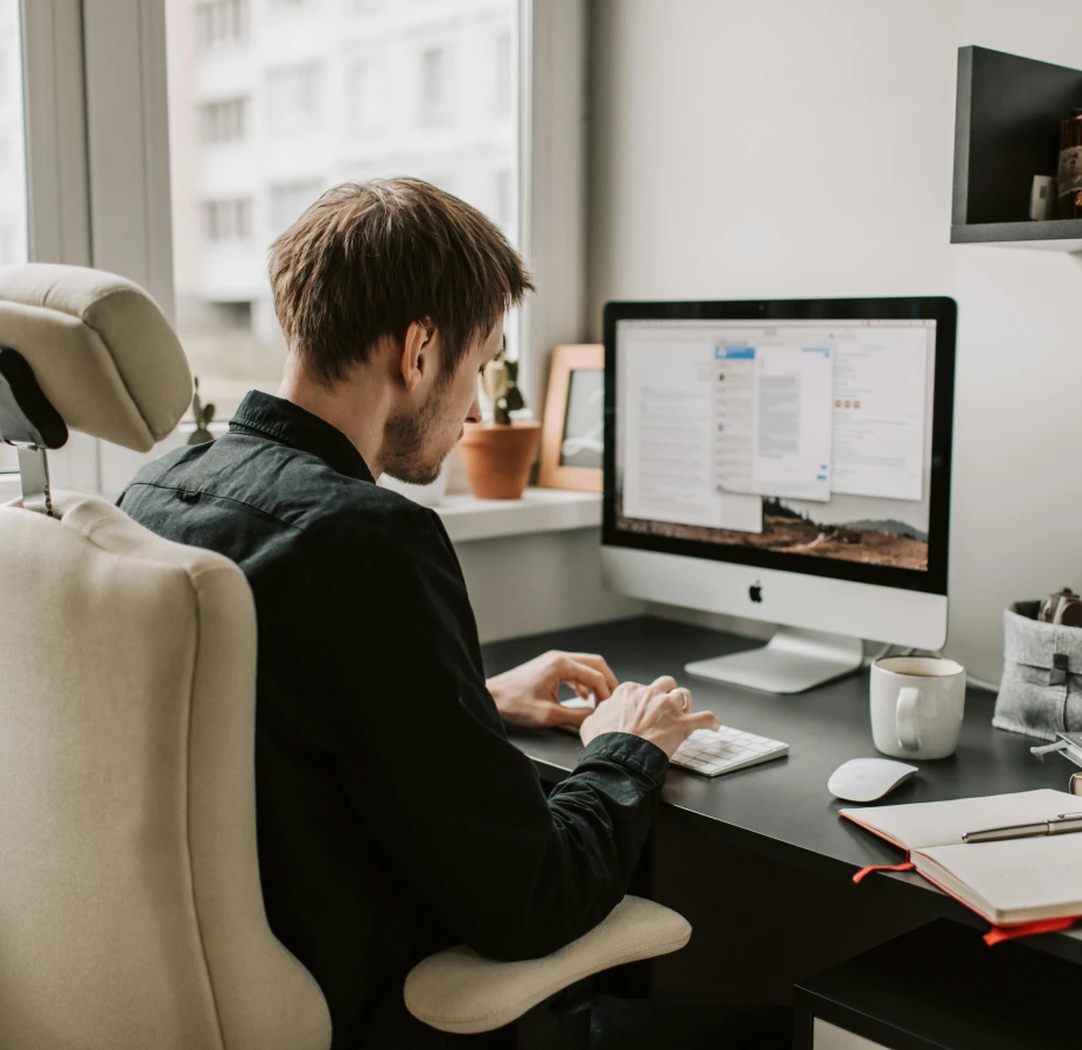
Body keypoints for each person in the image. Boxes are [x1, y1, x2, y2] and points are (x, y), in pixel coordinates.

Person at [118, 178, 772, 1049]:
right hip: (363, 1002)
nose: (472, 407)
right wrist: (628, 746)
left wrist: (475, 697)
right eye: (480, 365)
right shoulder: (370, 542)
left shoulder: (156, 488)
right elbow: (534, 900)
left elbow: (256, 714)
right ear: (420, 349)